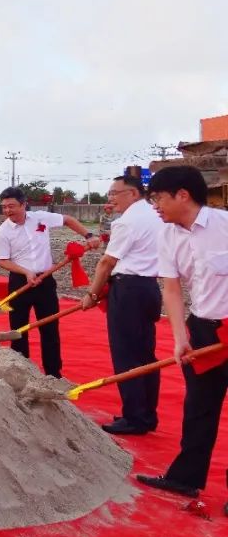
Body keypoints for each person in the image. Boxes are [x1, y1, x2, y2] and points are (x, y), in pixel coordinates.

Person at [136, 166, 228, 504]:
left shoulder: (224, 225)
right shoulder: (168, 236)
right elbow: (172, 289)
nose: (155, 207)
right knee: (199, 406)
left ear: (183, 195)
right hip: (203, 329)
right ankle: (185, 478)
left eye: (158, 198)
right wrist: (180, 337)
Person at [79, 175, 163, 434]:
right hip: (149, 287)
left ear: (134, 193)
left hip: (129, 290)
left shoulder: (128, 221)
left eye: (115, 193)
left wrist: (92, 294)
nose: (111, 198)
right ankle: (146, 414)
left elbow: (107, 262)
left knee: (127, 354)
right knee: (145, 354)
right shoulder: (156, 214)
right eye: (109, 193)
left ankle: (135, 417)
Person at [0, 186, 101, 377]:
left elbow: (67, 220)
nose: (7, 210)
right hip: (20, 281)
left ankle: (53, 373)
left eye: (11, 206)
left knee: (50, 328)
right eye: (4, 207)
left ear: (23, 205)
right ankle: (21, 372)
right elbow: (2, 261)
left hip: (45, 281)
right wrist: (26, 272)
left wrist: (88, 235)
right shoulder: (2, 232)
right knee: (18, 330)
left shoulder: (40, 218)